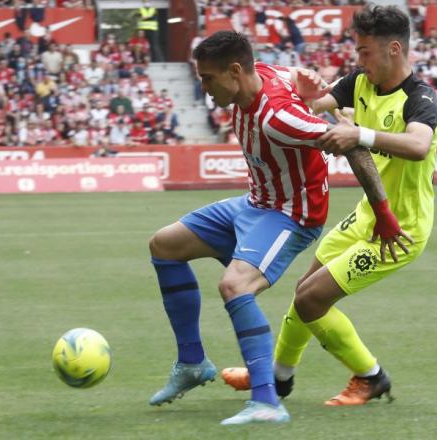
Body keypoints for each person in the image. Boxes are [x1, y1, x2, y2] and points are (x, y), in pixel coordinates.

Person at [147, 30, 402, 425]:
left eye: (207, 78)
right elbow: (300, 77)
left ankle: (267, 402)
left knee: (235, 286)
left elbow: (351, 145)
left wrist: (383, 214)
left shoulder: (278, 118)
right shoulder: (262, 72)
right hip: (254, 204)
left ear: (234, 72)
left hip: (290, 215)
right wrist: (309, 81)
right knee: (164, 245)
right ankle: (192, 364)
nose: (203, 88)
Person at [222, 4, 437, 406]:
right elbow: (311, 109)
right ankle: (278, 378)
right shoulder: (358, 82)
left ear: (394, 49)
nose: (358, 60)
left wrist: (360, 135)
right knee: (305, 291)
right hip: (366, 216)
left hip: (400, 230)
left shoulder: (420, 97)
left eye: (365, 52)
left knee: (310, 300)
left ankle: (371, 376)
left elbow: (418, 145)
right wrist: (302, 97)